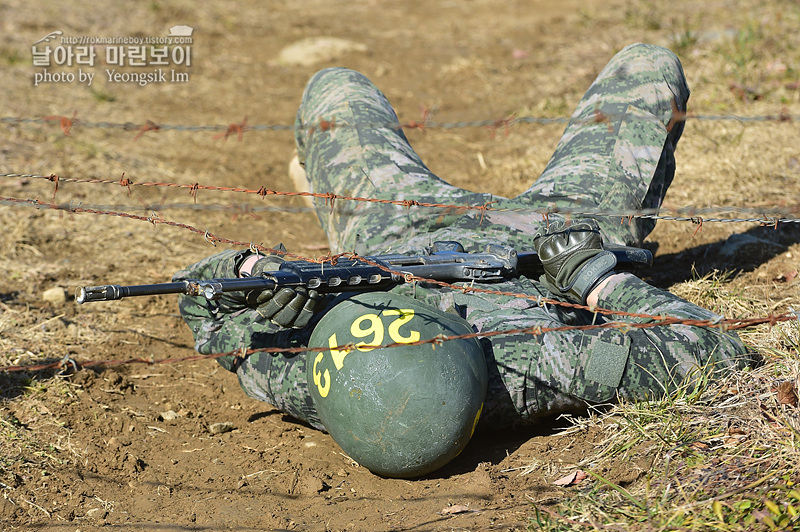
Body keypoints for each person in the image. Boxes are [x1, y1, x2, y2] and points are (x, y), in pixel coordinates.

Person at [174, 43, 754, 477]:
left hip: (399, 229)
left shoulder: (311, 383)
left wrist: (253, 278)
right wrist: (594, 278)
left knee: (337, 86)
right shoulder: (532, 369)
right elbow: (714, 350)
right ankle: (330, 202)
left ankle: (328, 201)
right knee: (649, 65)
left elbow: (202, 309)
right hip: (550, 238)